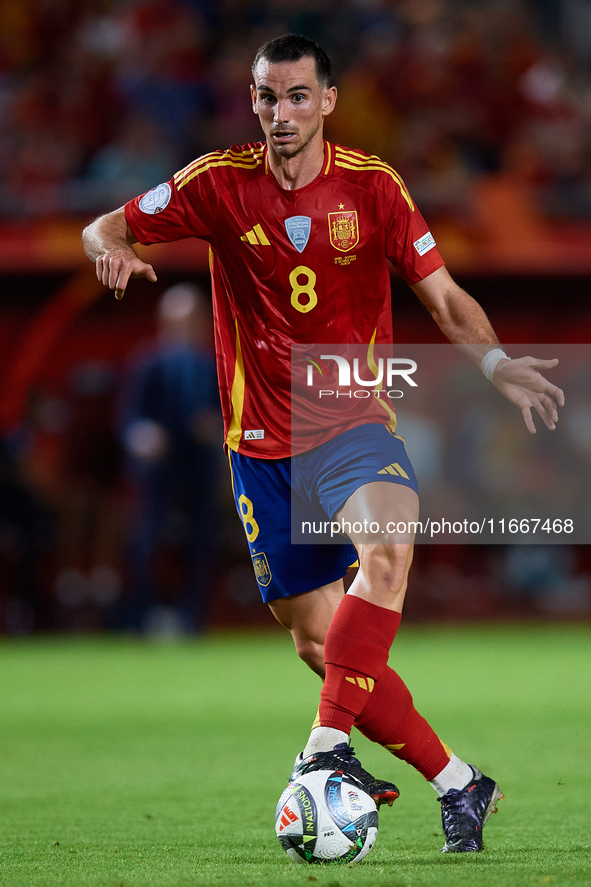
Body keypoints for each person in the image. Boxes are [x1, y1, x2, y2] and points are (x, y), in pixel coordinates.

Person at [82, 34, 564, 852]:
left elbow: (442, 295)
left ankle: (324, 746)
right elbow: (102, 226)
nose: (280, 113)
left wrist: (495, 363)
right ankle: (459, 783)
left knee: (386, 550)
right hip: (259, 445)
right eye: (267, 96)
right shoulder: (216, 184)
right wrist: (112, 252)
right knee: (317, 641)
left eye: (297, 95)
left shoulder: (374, 189)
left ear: (327, 101)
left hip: (350, 420)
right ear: (253, 101)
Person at [117, 283, 220, 634]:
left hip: (200, 465)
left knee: (203, 539)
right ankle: (142, 613)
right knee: (146, 537)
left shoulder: (216, 365)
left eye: (193, 321)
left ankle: (193, 616)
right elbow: (130, 418)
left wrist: (217, 430)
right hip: (159, 469)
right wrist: (143, 436)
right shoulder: (148, 363)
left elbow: (232, 420)